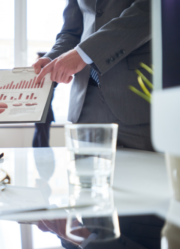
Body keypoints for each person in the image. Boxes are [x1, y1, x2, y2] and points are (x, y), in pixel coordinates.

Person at [33, 0, 153, 151]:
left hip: (133, 102)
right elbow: (71, 32)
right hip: (85, 103)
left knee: (145, 173)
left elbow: (147, 12)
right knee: (84, 173)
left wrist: (84, 54)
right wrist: (52, 59)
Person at [32, 52, 56, 148]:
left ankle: (46, 160)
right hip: (40, 113)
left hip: (44, 114)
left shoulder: (48, 79)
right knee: (38, 139)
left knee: (43, 141)